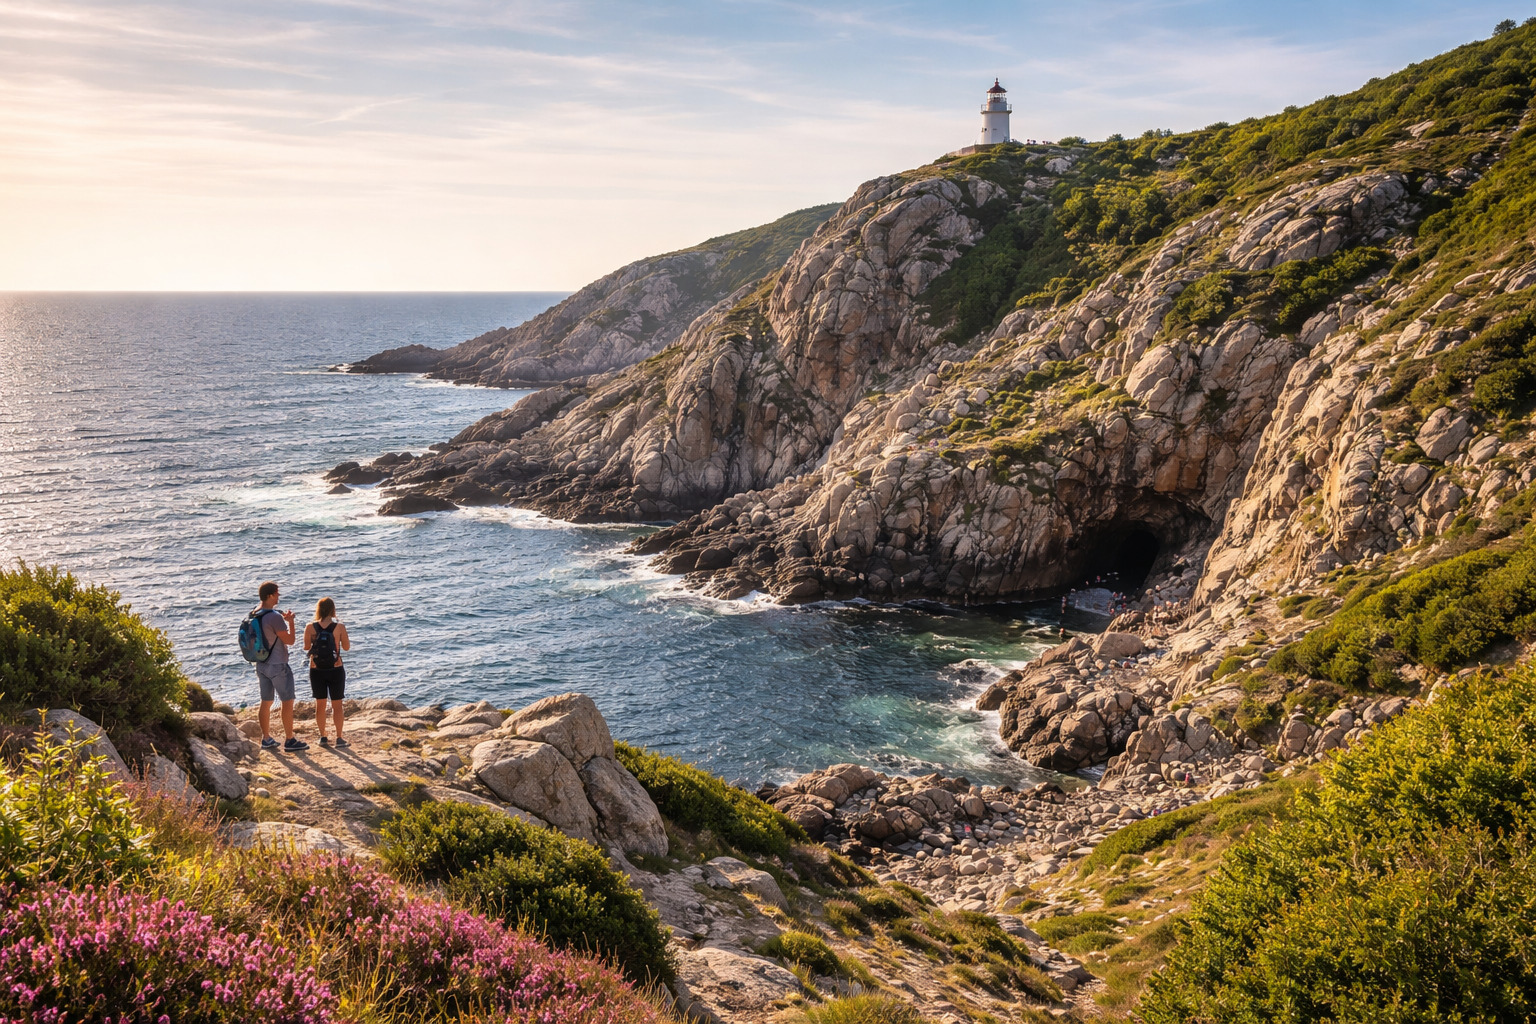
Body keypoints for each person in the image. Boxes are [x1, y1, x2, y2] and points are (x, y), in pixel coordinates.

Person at [253, 581, 307, 752]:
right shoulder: (275, 617)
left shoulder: (254, 613)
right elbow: (290, 641)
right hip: (278, 665)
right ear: (270, 595)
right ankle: (290, 740)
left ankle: (266, 738)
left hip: (261, 663)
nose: (278, 597)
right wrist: (291, 622)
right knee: (287, 701)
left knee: (266, 702)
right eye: (277, 594)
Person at [304, 597, 351, 748]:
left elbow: (306, 647)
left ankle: (323, 737)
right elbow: (347, 647)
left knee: (320, 704)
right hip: (336, 668)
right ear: (333, 609)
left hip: (316, 669)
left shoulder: (310, 627)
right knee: (337, 705)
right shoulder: (340, 627)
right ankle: (339, 738)